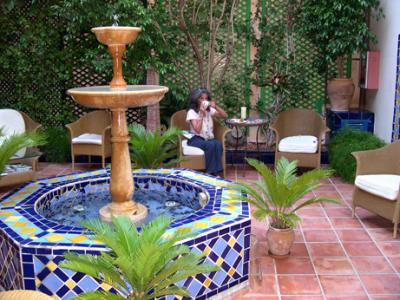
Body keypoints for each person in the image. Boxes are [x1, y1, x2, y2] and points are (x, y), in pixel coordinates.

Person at [186, 87, 228, 175]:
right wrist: (201, 114)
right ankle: (211, 173)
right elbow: (197, 130)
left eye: (206, 98)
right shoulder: (192, 112)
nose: (204, 100)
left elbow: (225, 116)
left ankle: (216, 171)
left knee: (217, 143)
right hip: (195, 139)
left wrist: (215, 106)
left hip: (208, 138)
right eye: (201, 98)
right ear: (196, 99)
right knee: (211, 145)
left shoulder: (209, 110)